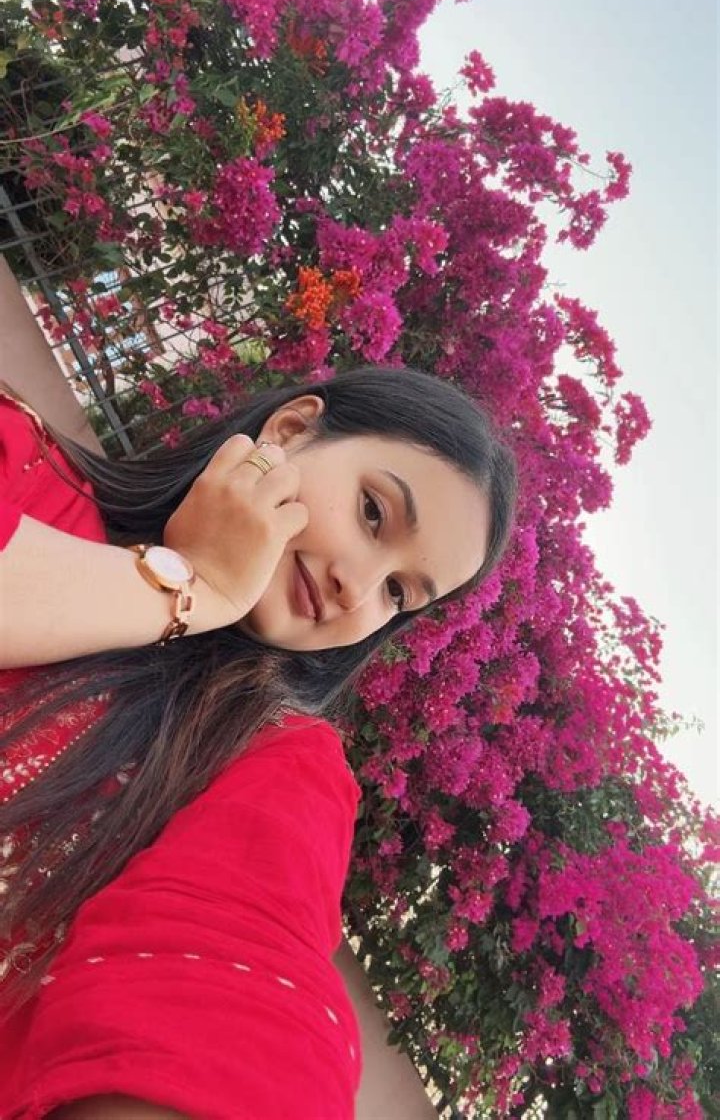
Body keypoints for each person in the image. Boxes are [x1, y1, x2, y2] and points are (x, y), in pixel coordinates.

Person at [0, 363, 519, 1119]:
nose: (358, 588)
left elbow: (244, 986)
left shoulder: (278, 762)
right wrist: (191, 585)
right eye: (373, 512)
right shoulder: (19, 458)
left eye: (399, 592)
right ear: (291, 429)